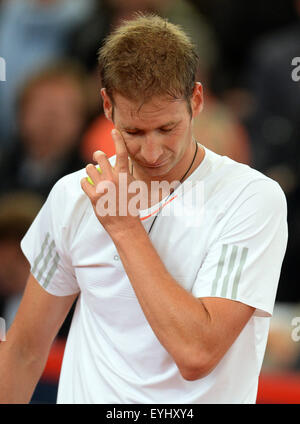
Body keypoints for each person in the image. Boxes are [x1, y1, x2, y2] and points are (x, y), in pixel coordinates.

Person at [0, 14, 288, 404]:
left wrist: (123, 228)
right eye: (134, 131)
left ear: (197, 100)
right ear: (107, 106)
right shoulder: (73, 196)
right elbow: (23, 349)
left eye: (166, 129)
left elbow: (196, 353)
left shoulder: (252, 198)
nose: (152, 152)